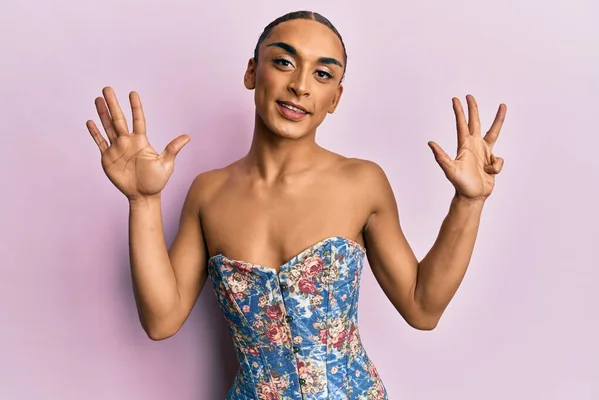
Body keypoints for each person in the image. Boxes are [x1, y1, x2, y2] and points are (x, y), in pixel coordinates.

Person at [86, 10, 506, 400]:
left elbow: (422, 307)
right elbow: (161, 321)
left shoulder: (362, 182)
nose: (301, 85)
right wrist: (143, 201)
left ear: (335, 98)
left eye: (322, 73)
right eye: (284, 62)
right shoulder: (208, 193)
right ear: (252, 72)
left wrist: (469, 202)